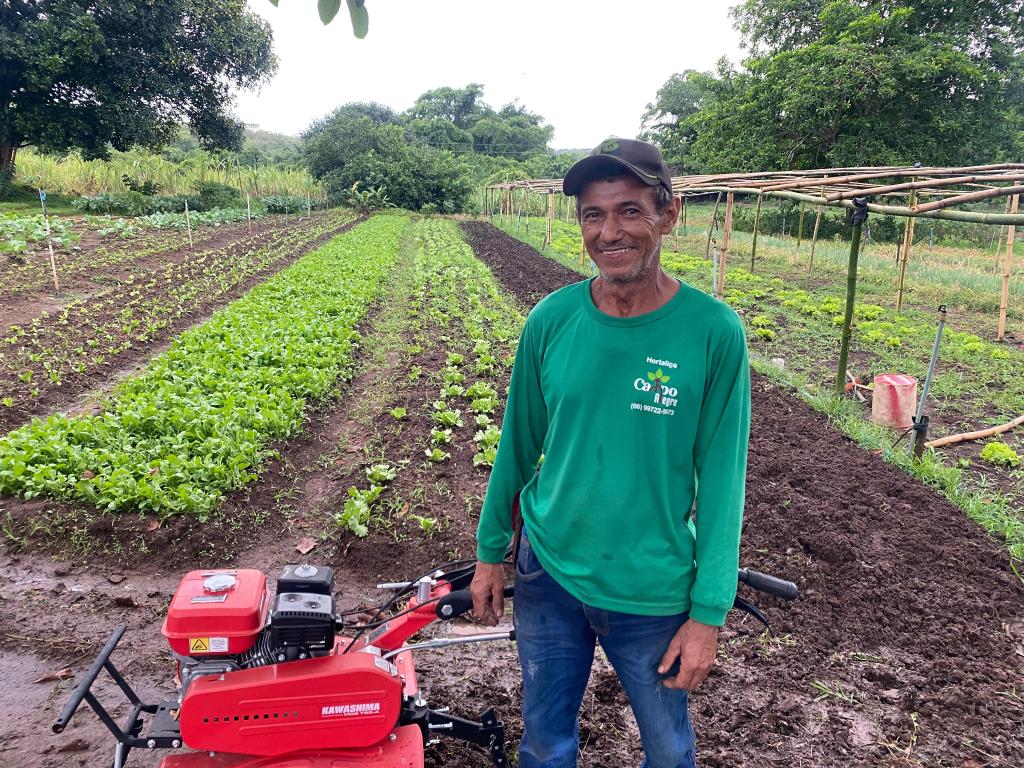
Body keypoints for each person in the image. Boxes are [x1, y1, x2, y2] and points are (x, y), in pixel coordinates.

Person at [470, 137, 751, 768]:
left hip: (650, 587)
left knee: (669, 751)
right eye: (592, 215)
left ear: (668, 215)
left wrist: (708, 613)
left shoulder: (712, 332)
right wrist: (491, 553)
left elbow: (723, 481)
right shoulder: (552, 320)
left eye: (629, 211)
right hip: (548, 571)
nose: (609, 232)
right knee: (544, 743)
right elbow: (516, 446)